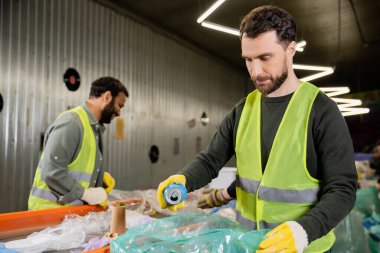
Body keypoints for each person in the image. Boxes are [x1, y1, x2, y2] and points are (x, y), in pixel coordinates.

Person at [157, 5, 357, 253]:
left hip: (304, 248)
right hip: (250, 246)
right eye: (248, 60)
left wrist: (304, 231)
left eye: (264, 58)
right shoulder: (243, 110)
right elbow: (210, 161)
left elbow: (343, 190)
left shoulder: (321, 111)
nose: (255, 72)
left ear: (291, 49)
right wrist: (184, 179)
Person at [28, 77, 128, 210]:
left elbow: (75, 168)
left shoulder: (93, 127)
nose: (119, 112)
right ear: (107, 97)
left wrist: (97, 177)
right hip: (47, 218)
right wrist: (86, 194)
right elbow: (51, 172)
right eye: (119, 105)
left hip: (69, 218)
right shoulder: (72, 122)